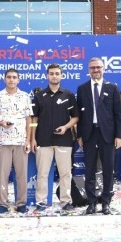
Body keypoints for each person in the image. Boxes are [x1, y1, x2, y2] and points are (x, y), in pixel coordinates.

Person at [76, 57, 121, 215]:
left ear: (103, 69)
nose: (95, 70)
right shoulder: (82, 89)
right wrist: (79, 135)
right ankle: (91, 202)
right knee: (89, 169)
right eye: (92, 67)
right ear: (88, 70)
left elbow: (118, 114)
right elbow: (79, 115)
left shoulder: (113, 88)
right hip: (89, 134)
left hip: (108, 135)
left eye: (98, 67)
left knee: (108, 169)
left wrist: (119, 135)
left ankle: (106, 202)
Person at [30, 63, 78, 212]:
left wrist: (66, 127)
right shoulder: (39, 96)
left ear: (61, 75)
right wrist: (33, 138)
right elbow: (34, 119)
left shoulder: (69, 95)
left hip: (64, 141)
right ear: (47, 75)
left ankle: (65, 201)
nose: (54, 76)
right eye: (51, 73)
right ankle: (41, 201)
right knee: (42, 173)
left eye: (57, 73)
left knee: (65, 173)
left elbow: (75, 117)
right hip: (43, 140)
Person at [0, 68, 33, 214]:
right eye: (9, 77)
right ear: (4, 79)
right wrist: (1, 123)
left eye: (14, 77)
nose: (11, 79)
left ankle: (21, 203)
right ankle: (3, 204)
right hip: (2, 142)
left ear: (18, 80)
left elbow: (29, 119)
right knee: (3, 175)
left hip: (21, 141)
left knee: (21, 174)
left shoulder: (25, 97)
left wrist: (28, 140)